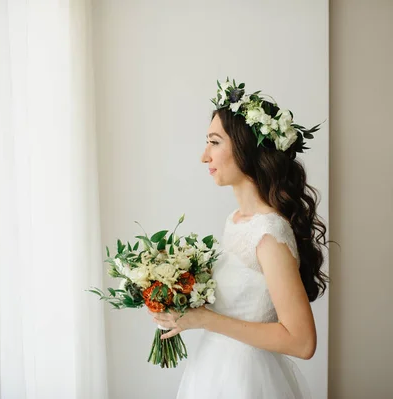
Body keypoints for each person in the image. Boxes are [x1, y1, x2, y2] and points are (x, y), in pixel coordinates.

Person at [149, 78, 329, 398]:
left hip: (246, 381)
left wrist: (206, 320)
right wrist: (177, 305)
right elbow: (238, 303)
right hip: (212, 372)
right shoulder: (235, 222)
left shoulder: (269, 234)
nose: (205, 156)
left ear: (246, 149)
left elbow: (302, 342)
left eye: (214, 142)